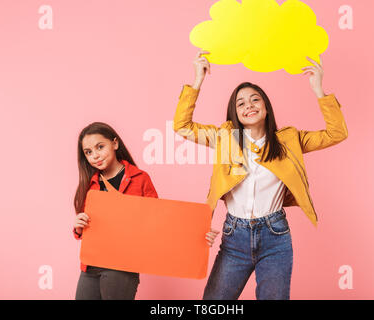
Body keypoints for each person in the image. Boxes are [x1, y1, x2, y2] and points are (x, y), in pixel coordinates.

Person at [173, 50, 348, 300]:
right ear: (235, 112)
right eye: (241, 103)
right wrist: (197, 81)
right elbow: (182, 126)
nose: (249, 106)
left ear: (266, 107)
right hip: (234, 236)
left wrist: (319, 90)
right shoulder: (226, 137)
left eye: (255, 100)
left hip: (275, 236)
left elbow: (336, 133)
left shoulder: (288, 140)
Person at [73, 121, 158, 300]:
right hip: (90, 266)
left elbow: (156, 220)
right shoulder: (89, 184)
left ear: (115, 144)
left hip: (122, 265)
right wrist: (79, 227)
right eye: (88, 152)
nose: (95, 155)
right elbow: (87, 228)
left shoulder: (140, 179)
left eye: (100, 147)